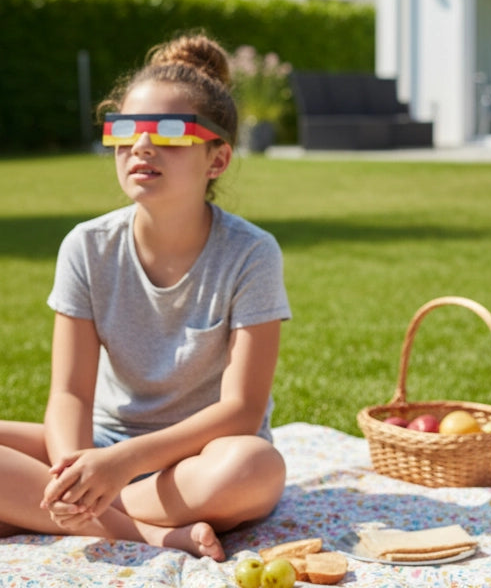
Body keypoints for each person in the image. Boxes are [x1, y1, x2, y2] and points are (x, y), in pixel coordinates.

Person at [0, 33, 289, 560]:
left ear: (217, 159)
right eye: (125, 129)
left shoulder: (252, 254)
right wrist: (75, 468)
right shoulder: (86, 247)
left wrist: (117, 469)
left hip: (201, 458)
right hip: (101, 444)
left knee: (255, 469)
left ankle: (47, 509)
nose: (141, 146)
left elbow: (243, 411)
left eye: (171, 132)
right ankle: (146, 532)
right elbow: (68, 395)